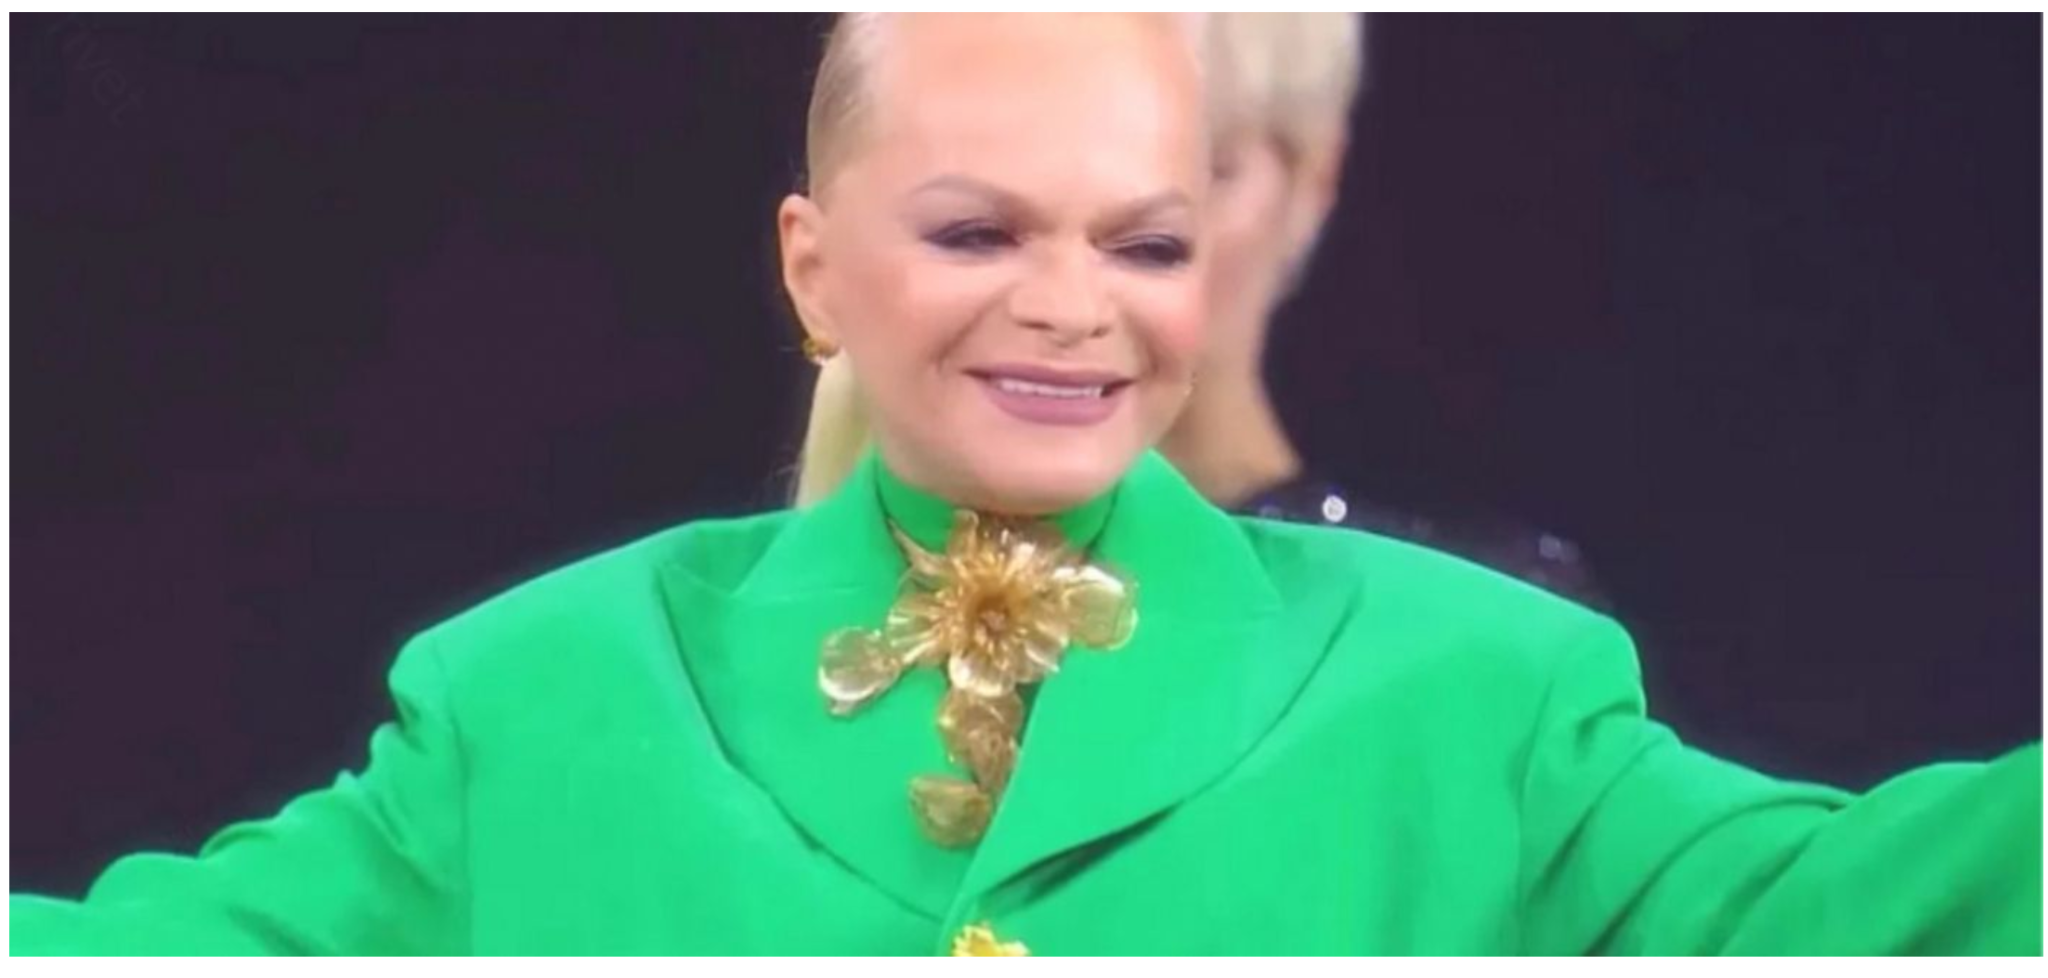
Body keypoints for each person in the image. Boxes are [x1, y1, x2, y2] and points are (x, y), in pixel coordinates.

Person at [13, 13, 2040, 956]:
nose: (1071, 307)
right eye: (978, 231)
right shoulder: (533, 699)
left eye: (1142, 245)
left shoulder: (1483, 694)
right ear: (814, 266)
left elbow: (1881, 913)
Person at [1172, 12, 1607, 608]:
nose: (1135, 231)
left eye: (1207, 170)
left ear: (1315, 179)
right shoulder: (1029, 593)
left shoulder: (1478, 617)